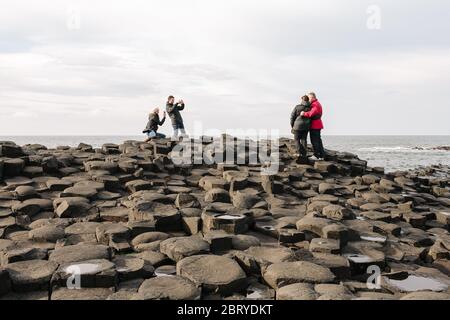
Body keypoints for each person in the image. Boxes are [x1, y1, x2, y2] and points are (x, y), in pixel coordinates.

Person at [301, 92, 325, 160]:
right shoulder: (317, 103)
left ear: (313, 97)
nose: (308, 99)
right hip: (317, 124)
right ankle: (321, 156)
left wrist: (304, 113)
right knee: (318, 141)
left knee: (314, 141)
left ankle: (316, 155)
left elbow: (311, 114)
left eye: (309, 98)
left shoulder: (315, 104)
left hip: (315, 125)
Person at [290, 95, 311, 163]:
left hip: (297, 126)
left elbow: (292, 117)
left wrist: (292, 125)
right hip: (306, 126)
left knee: (296, 139)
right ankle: (304, 154)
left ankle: (299, 153)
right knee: (304, 139)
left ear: (302, 100)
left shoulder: (297, 107)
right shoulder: (310, 108)